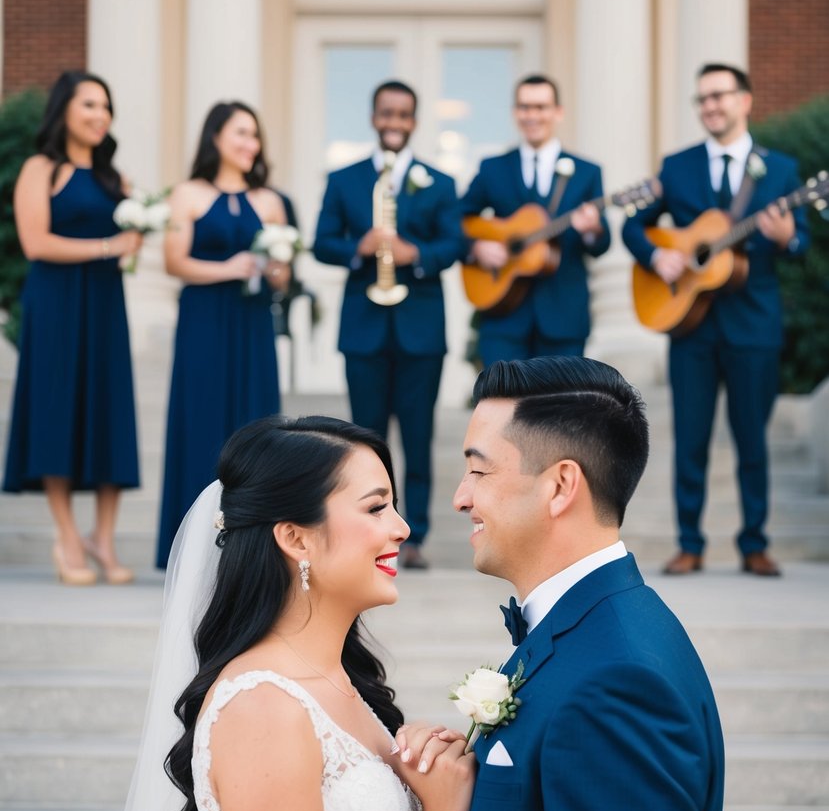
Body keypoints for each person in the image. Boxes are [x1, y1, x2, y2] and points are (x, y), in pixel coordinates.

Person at [258, 355, 725, 811]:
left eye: (478, 470)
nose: (458, 497)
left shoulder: (617, 680)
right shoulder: (586, 634)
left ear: (561, 485)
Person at [84, 414, 475, 811]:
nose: (400, 527)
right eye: (375, 508)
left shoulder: (342, 683)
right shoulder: (261, 704)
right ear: (295, 537)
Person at [622, 62, 809, 577]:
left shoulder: (781, 170)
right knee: (692, 439)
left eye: (720, 96)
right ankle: (690, 544)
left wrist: (784, 237)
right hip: (692, 326)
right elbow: (634, 226)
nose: (711, 106)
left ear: (745, 101)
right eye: (703, 99)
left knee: (753, 439)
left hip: (754, 325)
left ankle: (754, 544)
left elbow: (801, 242)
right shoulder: (676, 166)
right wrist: (656, 257)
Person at [313, 80, 465, 570]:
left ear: (414, 122)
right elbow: (321, 242)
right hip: (364, 329)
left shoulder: (439, 182)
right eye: (386, 114)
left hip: (420, 330)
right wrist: (356, 246)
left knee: (417, 438)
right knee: (363, 441)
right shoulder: (344, 178)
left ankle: (413, 534)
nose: (394, 123)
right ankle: (367, 531)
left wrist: (415, 253)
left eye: (403, 115)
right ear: (373, 117)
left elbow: (454, 244)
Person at [3, 70, 142, 584]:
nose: (100, 115)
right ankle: (67, 538)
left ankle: (102, 538)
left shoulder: (117, 180)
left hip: (105, 304)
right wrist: (109, 247)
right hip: (56, 304)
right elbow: (36, 242)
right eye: (89, 105)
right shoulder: (41, 169)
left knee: (109, 412)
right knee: (56, 411)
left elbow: (130, 247)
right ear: (64, 110)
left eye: (105, 106)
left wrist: (139, 235)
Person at [156, 100, 292, 568]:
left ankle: (251, 550)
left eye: (254, 135)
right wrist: (227, 267)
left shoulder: (271, 201)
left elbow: (283, 278)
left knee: (256, 429)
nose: (250, 144)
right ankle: (192, 550)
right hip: (204, 322)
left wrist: (275, 269)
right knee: (201, 422)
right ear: (216, 137)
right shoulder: (187, 194)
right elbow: (174, 261)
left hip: (252, 322)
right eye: (240, 133)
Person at [463, 74, 610, 366]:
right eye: (525, 107)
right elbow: (455, 219)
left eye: (541, 107)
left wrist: (592, 230)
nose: (532, 115)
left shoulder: (587, 172)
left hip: (563, 315)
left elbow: (600, 244)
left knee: (559, 410)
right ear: (515, 112)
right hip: (502, 314)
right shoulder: (493, 168)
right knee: (502, 408)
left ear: (558, 112)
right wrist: (476, 247)